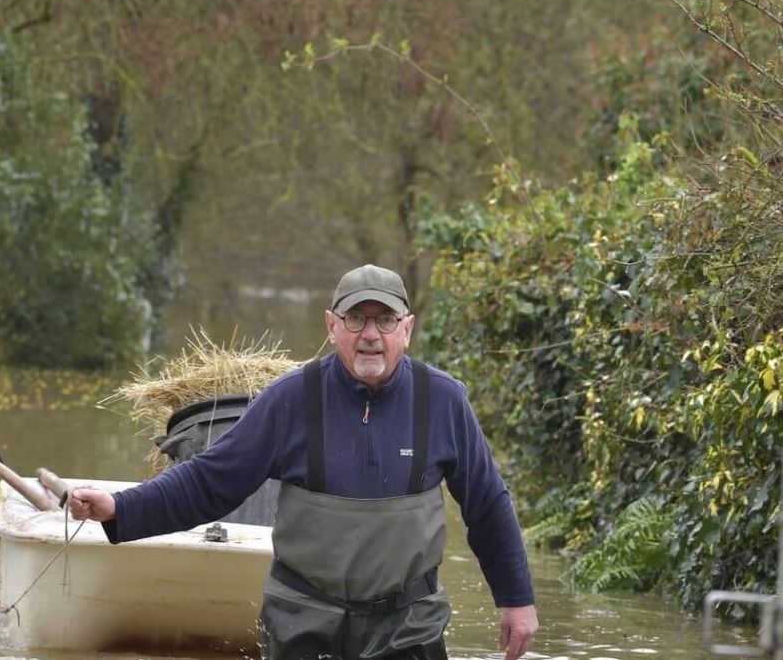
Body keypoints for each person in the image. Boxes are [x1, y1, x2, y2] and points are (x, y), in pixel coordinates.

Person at [70, 264, 538, 660]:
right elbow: (209, 481)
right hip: (303, 620)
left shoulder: (444, 400)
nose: (371, 334)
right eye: (357, 319)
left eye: (385, 320)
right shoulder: (289, 399)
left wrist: (516, 600)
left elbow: (488, 505)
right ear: (332, 326)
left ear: (407, 329)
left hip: (408, 623)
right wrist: (119, 507)